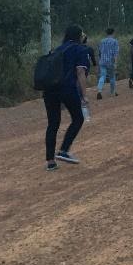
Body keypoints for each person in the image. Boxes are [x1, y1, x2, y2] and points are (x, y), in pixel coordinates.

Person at [43, 25, 91, 171]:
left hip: (50, 90)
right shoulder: (80, 49)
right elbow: (80, 72)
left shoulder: (58, 49)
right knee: (78, 118)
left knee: (53, 124)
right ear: (79, 35)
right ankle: (64, 150)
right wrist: (84, 95)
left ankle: (50, 161)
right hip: (67, 88)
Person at [96, 27, 119, 100]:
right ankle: (112, 92)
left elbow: (100, 52)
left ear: (106, 33)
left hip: (102, 61)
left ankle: (99, 91)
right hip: (110, 62)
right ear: (113, 33)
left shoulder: (102, 41)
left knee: (102, 76)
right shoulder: (115, 41)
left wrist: (100, 59)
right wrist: (115, 63)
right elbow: (115, 54)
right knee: (112, 77)